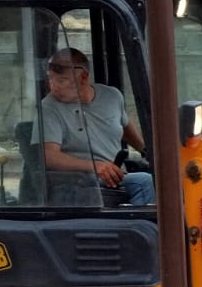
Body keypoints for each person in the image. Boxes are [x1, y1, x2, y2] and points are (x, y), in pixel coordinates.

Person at [35, 47, 154, 206]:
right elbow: (49, 157)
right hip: (79, 183)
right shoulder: (49, 108)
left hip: (116, 176)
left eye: (61, 80)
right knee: (144, 182)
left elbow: (126, 129)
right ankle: (145, 227)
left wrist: (150, 154)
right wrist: (95, 167)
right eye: (51, 79)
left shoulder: (112, 96)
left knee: (163, 179)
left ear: (83, 77)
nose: (53, 86)